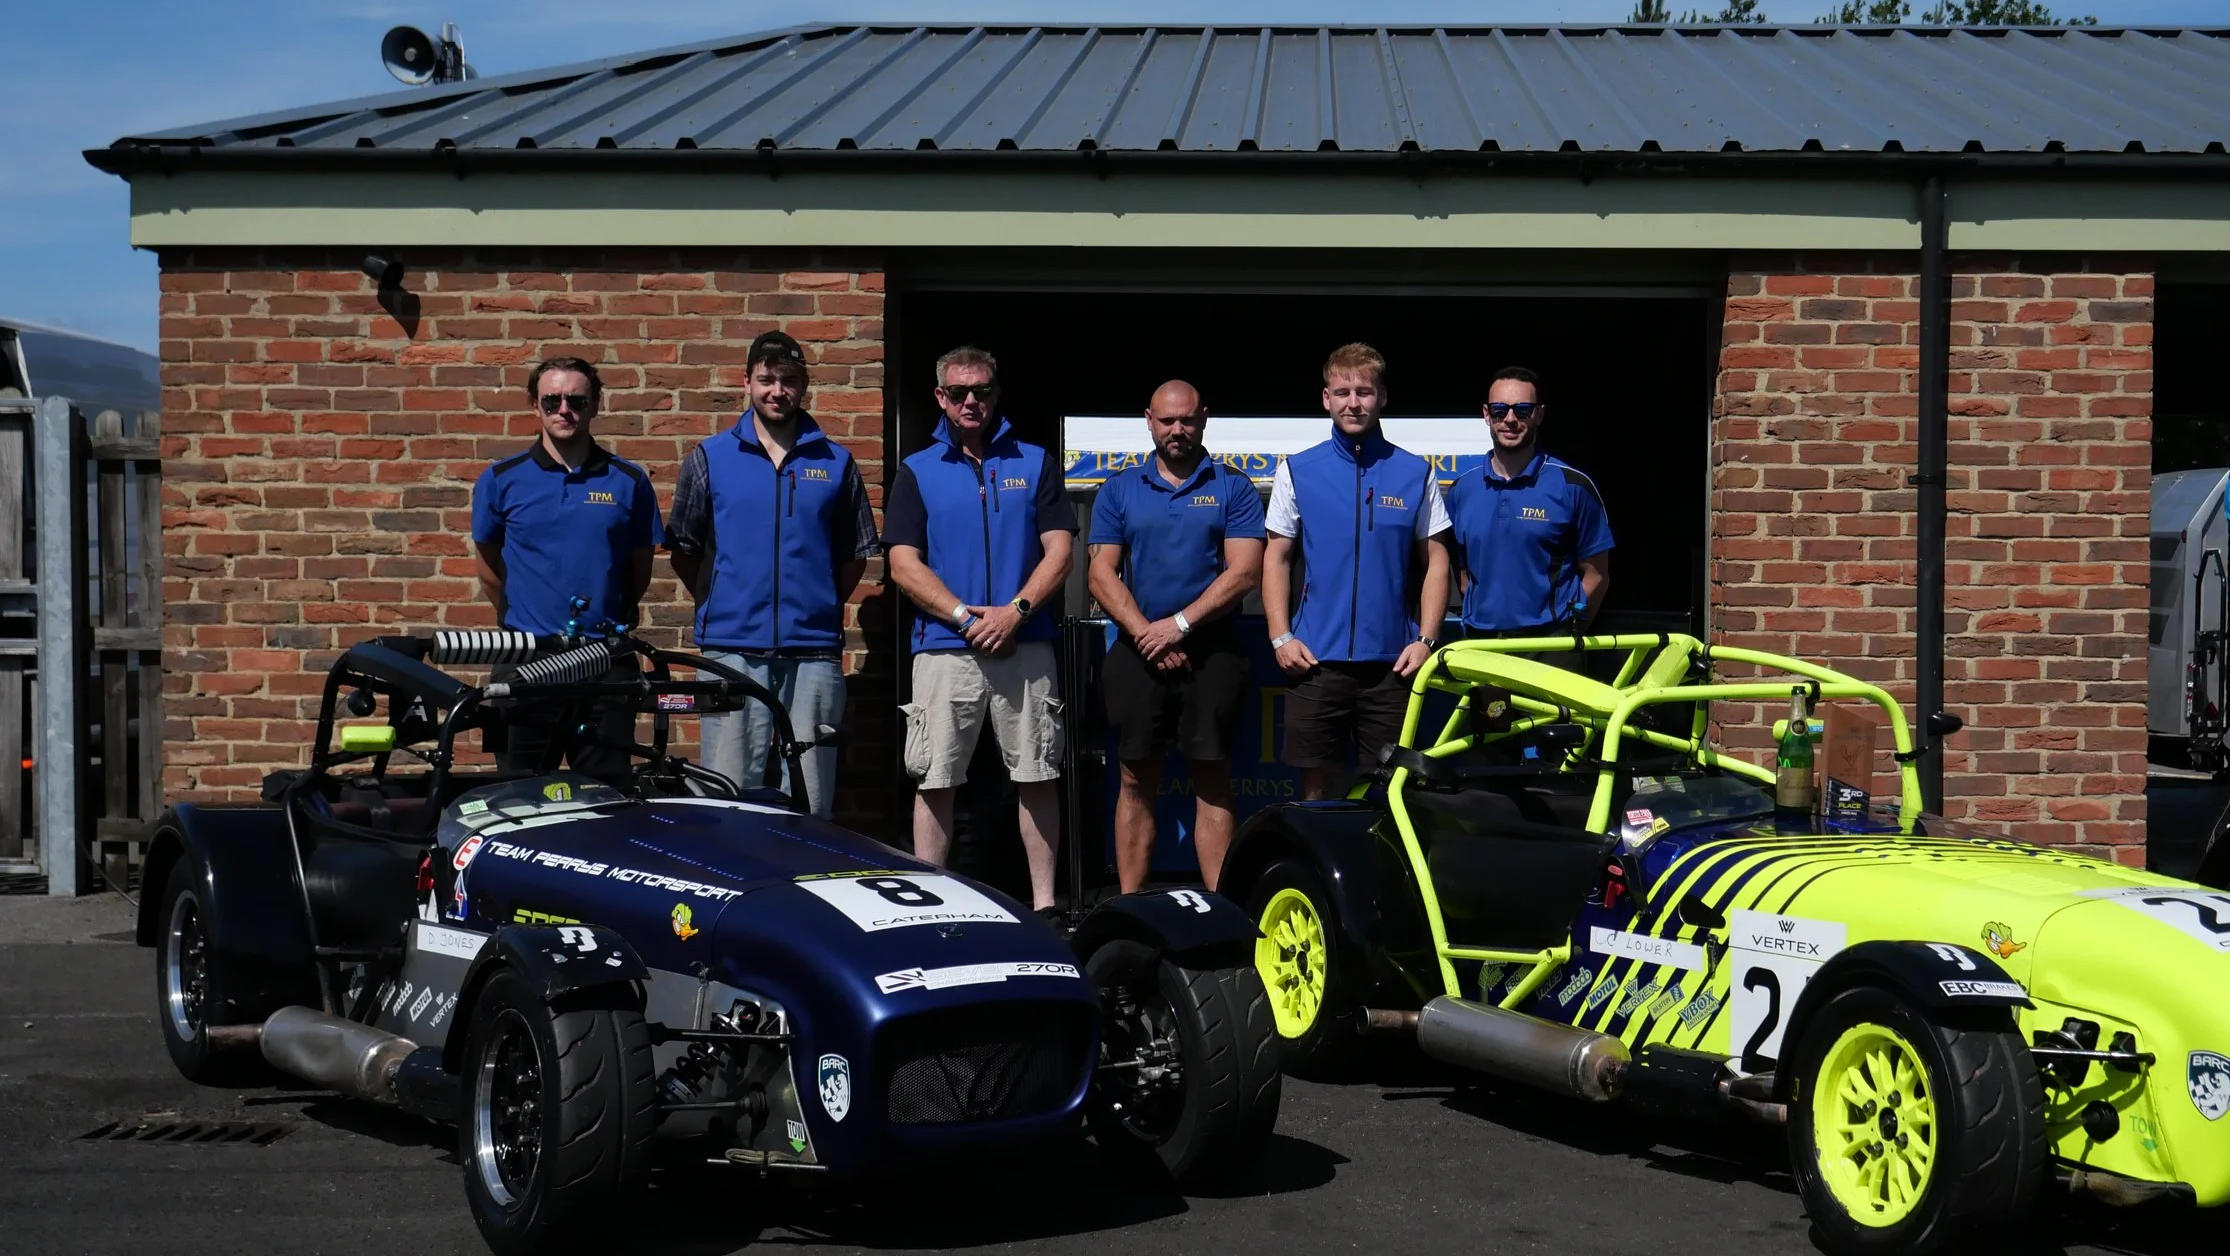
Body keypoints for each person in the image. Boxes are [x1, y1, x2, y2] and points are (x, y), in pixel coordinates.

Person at [882, 346, 1077, 919]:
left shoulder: (1034, 462)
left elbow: (1061, 551)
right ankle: (931, 905)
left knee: (1038, 773)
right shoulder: (918, 470)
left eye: (983, 390)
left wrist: (1015, 611)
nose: (972, 400)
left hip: (1025, 641)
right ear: (940, 397)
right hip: (946, 646)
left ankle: (1046, 907)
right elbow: (902, 564)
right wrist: (966, 618)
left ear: (997, 393)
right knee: (936, 777)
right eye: (959, 391)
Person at [666, 331, 878, 817]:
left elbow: (854, 556)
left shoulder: (837, 463)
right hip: (732, 648)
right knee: (728, 796)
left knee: (812, 800)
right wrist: (723, 599)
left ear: (804, 386)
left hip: (813, 653)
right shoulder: (709, 458)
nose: (776, 391)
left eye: (788, 380)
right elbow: (684, 550)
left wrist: (817, 602)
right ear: (746, 382)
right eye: (766, 380)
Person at [1088, 381, 1265, 892]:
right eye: (1167, 421)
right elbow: (1100, 573)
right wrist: (1149, 634)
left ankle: (1221, 909)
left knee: (1211, 780)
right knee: (1133, 780)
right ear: (1149, 420)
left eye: (1187, 419)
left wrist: (1179, 626)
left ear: (1204, 418)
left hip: (1212, 651)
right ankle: (1132, 907)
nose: (1178, 430)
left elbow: (1245, 572)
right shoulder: (1119, 488)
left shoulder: (1233, 486)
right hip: (1137, 650)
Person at [1261, 343, 1453, 801]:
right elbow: (1276, 558)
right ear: (1325, 398)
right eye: (1342, 392)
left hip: (1393, 666)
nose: (1353, 403)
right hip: (1314, 661)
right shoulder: (1298, 470)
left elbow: (1437, 561)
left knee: (1390, 793)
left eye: (1364, 392)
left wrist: (1426, 641)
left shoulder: (1415, 473)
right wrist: (1281, 637)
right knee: (1315, 793)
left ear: (1381, 396)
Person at [471, 356, 664, 772]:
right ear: (534, 405)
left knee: (606, 796)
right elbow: (489, 569)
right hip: (527, 660)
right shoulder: (502, 479)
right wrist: (525, 617)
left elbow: (639, 570)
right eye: (552, 400)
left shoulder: (629, 481)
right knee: (520, 793)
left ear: (595, 405)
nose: (564, 410)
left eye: (576, 400)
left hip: (605, 662)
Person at [1446, 366, 1614, 638]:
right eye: (1499, 410)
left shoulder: (1573, 486)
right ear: (1486, 414)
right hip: (1481, 643)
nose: (1510, 419)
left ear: (1539, 414)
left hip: (1551, 644)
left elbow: (1597, 575)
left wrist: (1568, 634)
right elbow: (1461, 573)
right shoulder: (1462, 490)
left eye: (1522, 410)